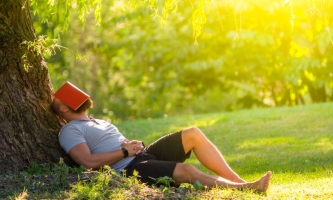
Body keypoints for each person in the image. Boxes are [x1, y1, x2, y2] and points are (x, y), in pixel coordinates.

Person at [51, 82, 272, 192]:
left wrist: (130, 146)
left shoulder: (94, 121)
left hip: (142, 155)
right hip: (129, 169)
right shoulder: (70, 130)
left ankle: (237, 180)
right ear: (62, 111)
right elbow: (87, 162)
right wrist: (125, 151)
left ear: (63, 108)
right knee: (187, 171)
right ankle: (246, 188)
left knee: (193, 133)